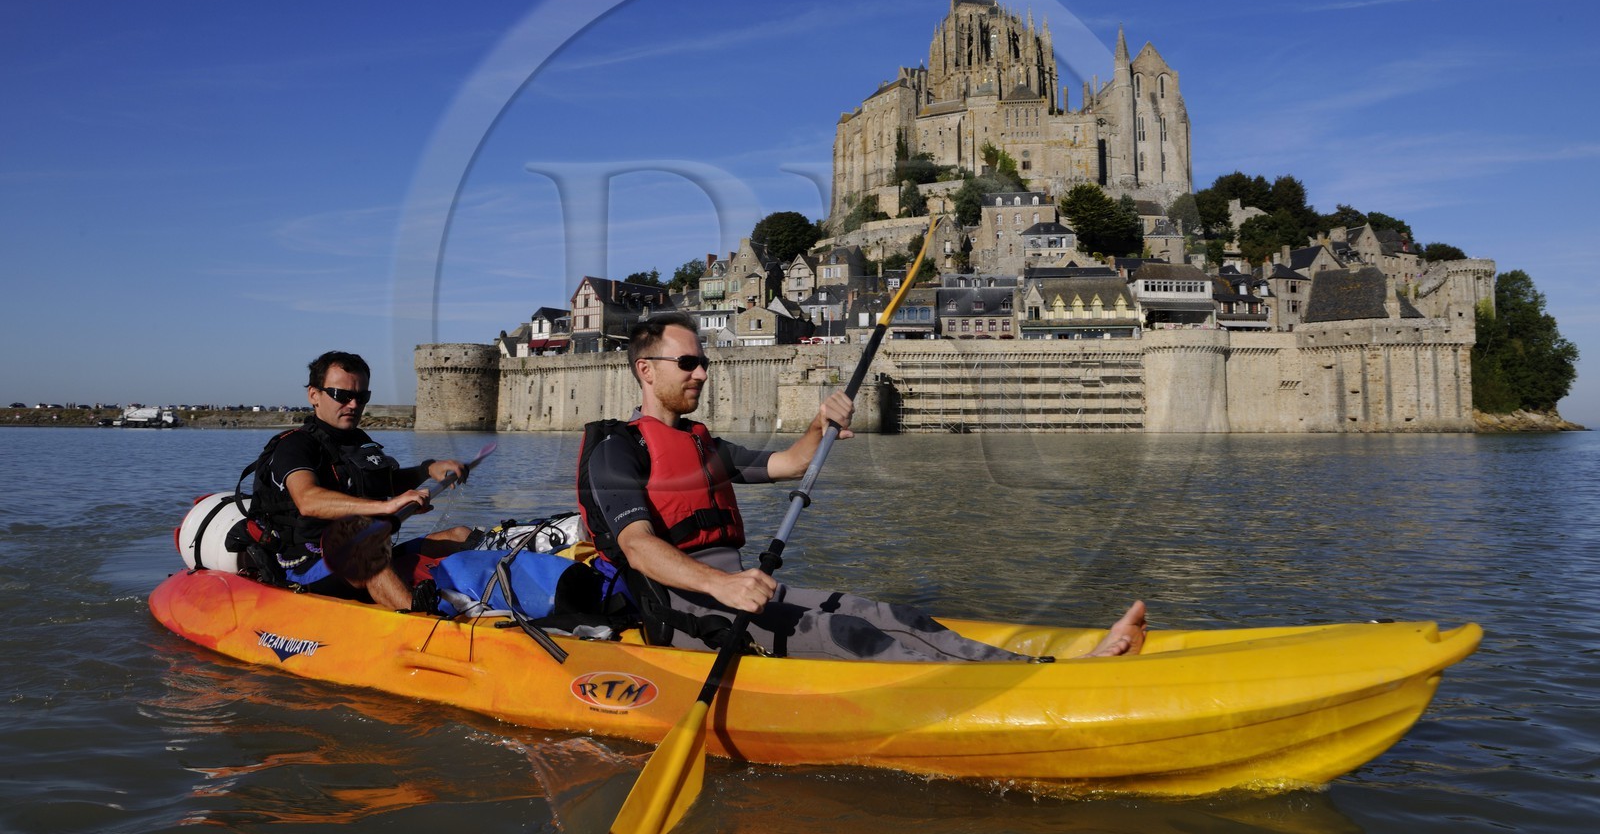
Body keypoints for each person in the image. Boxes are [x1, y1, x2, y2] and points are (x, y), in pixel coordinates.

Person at [580, 312, 1146, 661]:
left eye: (703, 362)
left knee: (894, 615)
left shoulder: (705, 445)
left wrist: (819, 424)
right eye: (688, 362)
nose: (702, 372)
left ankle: (1043, 671)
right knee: (851, 633)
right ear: (646, 370)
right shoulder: (617, 449)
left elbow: (789, 463)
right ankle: (1034, 686)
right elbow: (637, 546)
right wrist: (721, 588)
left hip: (743, 591)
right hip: (686, 608)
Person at [248, 351, 475, 609]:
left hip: (368, 549)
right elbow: (308, 500)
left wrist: (427, 469)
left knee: (461, 535)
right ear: (314, 395)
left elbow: (385, 482)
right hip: (307, 564)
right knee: (366, 553)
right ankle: (425, 623)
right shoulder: (294, 446)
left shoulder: (357, 442)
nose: (353, 405)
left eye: (361, 397)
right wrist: (387, 506)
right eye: (341, 395)